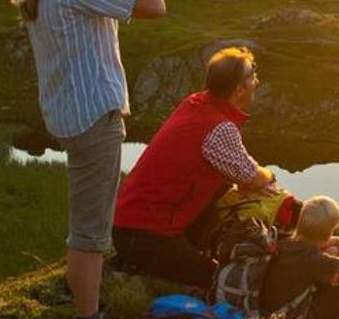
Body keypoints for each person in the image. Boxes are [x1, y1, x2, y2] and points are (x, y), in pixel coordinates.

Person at [17, 0, 166, 319]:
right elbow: (153, 5)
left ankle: (85, 305)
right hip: (92, 118)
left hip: (71, 112)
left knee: (89, 220)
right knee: (89, 231)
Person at [111, 47, 278, 288]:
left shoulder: (194, 103)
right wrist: (270, 176)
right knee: (219, 279)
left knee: (223, 186)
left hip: (130, 227)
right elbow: (252, 177)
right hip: (147, 237)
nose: (257, 80)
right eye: (253, 75)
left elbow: (235, 173)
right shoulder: (218, 127)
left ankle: (151, 256)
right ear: (239, 89)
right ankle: (140, 266)